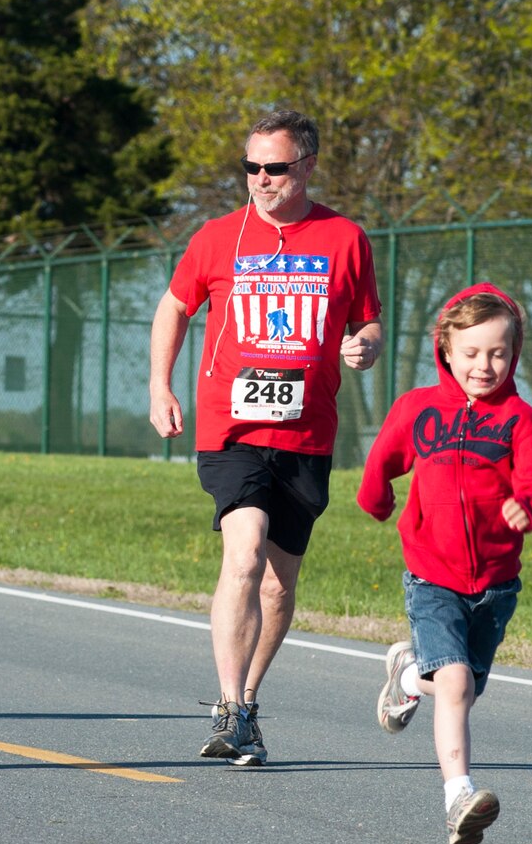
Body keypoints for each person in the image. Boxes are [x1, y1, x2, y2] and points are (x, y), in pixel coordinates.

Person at [149, 109, 383, 766]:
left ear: (306, 166)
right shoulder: (219, 237)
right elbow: (174, 305)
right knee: (243, 554)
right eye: (250, 167)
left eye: (274, 167)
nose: (260, 179)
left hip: (307, 433)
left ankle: (247, 706)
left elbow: (370, 322)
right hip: (233, 427)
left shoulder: (345, 238)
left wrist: (363, 347)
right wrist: (159, 386)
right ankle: (227, 705)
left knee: (279, 583)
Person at [356, 283, 532, 844]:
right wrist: (376, 497)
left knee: (461, 688)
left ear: (514, 354)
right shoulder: (418, 408)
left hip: (496, 585)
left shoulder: (519, 419)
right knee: (452, 685)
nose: (485, 365)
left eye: (498, 353)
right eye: (472, 353)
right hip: (431, 573)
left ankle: (405, 675)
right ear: (446, 350)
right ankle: (459, 798)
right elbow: (384, 458)